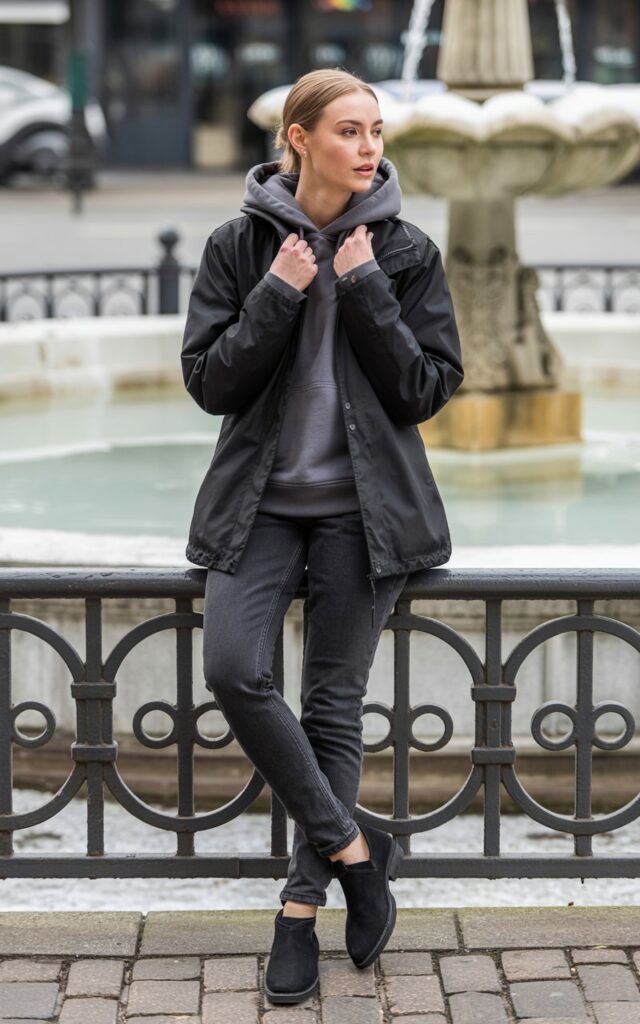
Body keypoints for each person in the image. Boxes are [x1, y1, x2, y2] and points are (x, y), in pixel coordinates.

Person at [180, 67, 464, 1005]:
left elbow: (426, 389)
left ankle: (300, 911)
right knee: (234, 670)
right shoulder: (238, 246)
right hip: (259, 507)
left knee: (333, 709)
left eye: (375, 130)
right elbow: (210, 383)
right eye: (349, 130)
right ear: (298, 139)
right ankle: (354, 851)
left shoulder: (406, 251)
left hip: (363, 516)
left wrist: (367, 286)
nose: (369, 147)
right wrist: (278, 291)